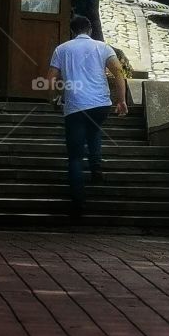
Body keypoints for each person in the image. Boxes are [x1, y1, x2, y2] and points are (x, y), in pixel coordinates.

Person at [46, 15, 127, 216]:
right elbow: (118, 73)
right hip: (100, 103)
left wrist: (54, 98)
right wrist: (121, 100)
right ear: (89, 29)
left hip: (75, 106)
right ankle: (96, 166)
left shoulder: (62, 49)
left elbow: (50, 79)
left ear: (72, 31)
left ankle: (78, 200)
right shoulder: (103, 47)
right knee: (95, 129)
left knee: (74, 156)